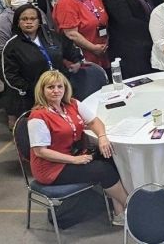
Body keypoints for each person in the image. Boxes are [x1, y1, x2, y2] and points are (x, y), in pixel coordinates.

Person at [27, 71, 128, 225]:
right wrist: (74, 160)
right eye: (50, 87)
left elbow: (95, 121)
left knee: (108, 154)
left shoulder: (72, 104)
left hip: (73, 156)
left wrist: (102, 137)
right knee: (102, 170)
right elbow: (40, 151)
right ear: (42, 90)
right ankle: (132, 206)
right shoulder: (38, 116)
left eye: (59, 86)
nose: (56, 90)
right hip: (51, 168)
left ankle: (120, 213)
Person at [2, 2, 83, 118]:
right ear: (18, 23)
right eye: (24, 19)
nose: (29, 22)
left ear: (39, 21)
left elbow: (70, 49)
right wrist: (30, 89)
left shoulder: (52, 36)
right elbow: (10, 75)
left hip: (62, 89)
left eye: (32, 19)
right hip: (35, 96)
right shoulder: (12, 46)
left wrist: (77, 61)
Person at [103, 0, 159, 79]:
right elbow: (126, 21)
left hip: (152, 41)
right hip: (132, 47)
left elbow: (158, 1)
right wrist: (153, 28)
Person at [53, 0, 109, 69]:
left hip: (103, 49)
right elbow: (71, 34)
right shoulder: (65, 2)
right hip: (83, 56)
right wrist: (94, 48)